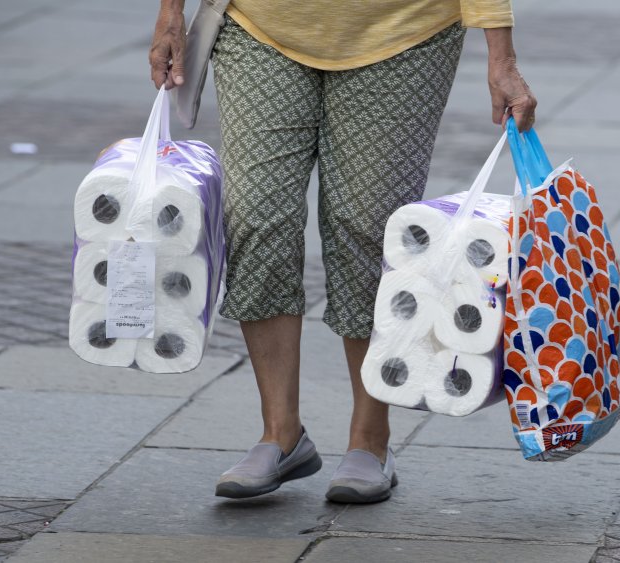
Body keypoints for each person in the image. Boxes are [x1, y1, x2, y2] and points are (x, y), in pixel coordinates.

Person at [150, 0, 536, 504]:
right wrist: (170, 13)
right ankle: (280, 432)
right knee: (254, 215)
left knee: (369, 228)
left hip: (402, 33)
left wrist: (501, 56)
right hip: (258, 24)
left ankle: (370, 439)